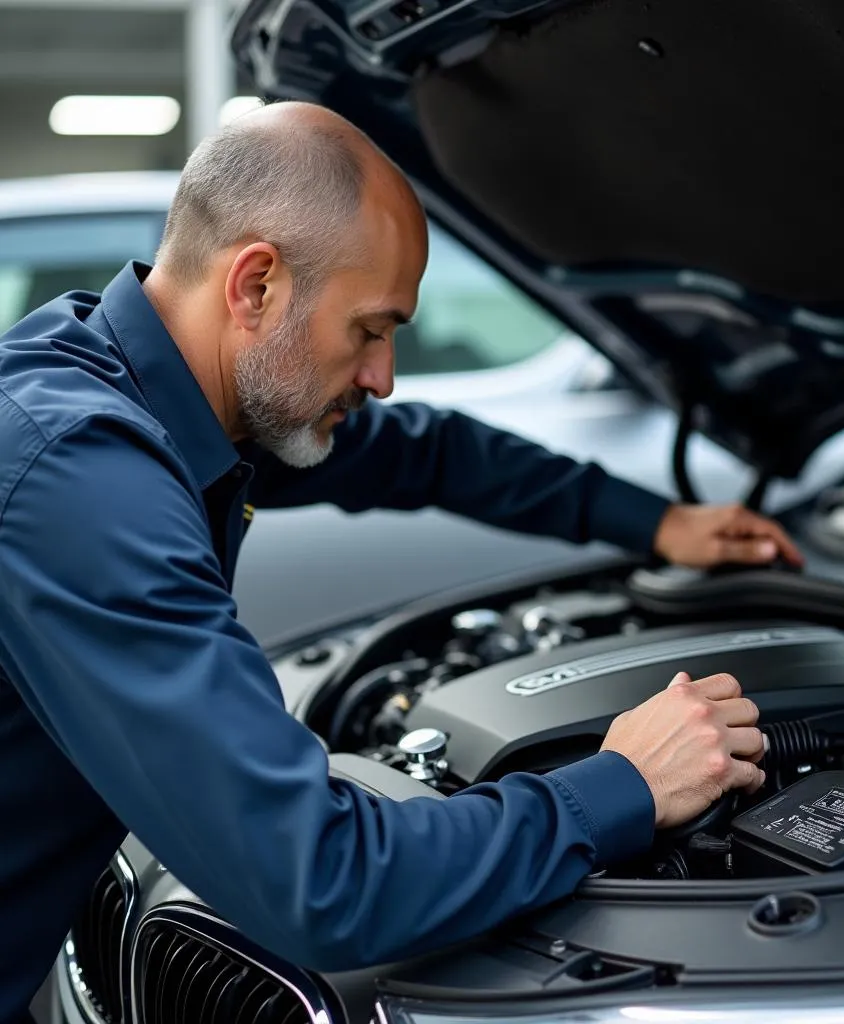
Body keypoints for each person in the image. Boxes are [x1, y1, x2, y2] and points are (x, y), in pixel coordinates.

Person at [0, 102, 799, 1023]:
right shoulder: (81, 478)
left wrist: (656, 523)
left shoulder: (147, 379)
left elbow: (425, 450)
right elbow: (325, 882)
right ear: (255, 286)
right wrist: (624, 784)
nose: (382, 376)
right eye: (371, 330)